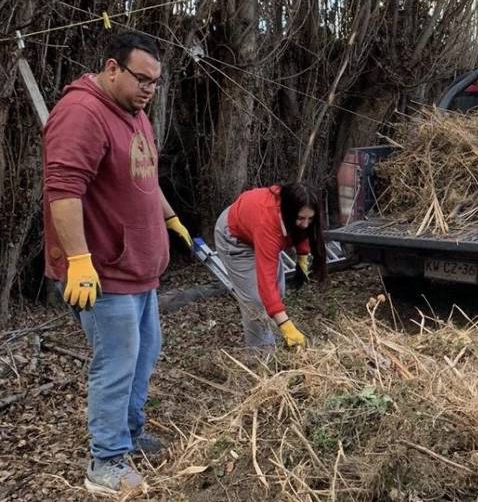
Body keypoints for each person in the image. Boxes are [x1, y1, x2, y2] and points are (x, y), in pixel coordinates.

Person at [43, 32, 194, 494]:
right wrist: (80, 262)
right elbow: (62, 191)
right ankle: (105, 461)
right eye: (141, 79)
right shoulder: (82, 114)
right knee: (116, 364)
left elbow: (144, 173)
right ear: (112, 68)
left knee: (143, 357)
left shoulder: (135, 112)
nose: (149, 89)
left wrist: (170, 217)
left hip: (139, 270)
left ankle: (128, 435)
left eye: (156, 82)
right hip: (103, 273)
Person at [214, 183, 327, 349]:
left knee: (278, 290)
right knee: (256, 301)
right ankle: (262, 359)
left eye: (310, 218)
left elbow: (303, 231)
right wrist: (288, 327)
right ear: (288, 213)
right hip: (234, 237)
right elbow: (265, 283)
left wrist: (302, 256)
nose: (305, 224)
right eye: (301, 218)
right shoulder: (267, 225)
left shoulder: (294, 208)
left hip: (252, 223)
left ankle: (273, 331)